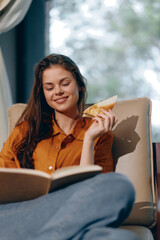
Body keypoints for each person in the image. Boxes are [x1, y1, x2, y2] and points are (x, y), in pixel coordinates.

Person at [0, 53, 140, 240]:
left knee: (120, 196)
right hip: (23, 215)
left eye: (64, 84)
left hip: (68, 214)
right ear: (43, 93)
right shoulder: (23, 132)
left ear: (79, 86)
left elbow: (94, 195)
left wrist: (89, 140)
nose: (57, 91)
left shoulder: (99, 134)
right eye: (49, 87)